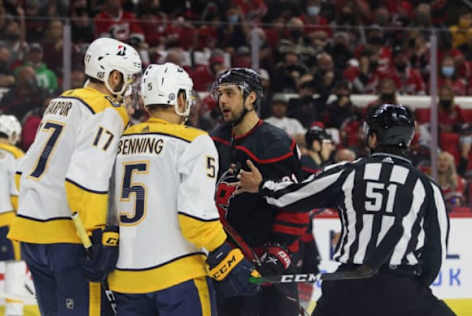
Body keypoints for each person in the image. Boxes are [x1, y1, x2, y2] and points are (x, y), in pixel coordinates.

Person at [237, 103, 456, 316]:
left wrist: (262, 186)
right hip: (402, 288)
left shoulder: (350, 172)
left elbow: (295, 196)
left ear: (373, 137)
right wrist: (409, 290)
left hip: (347, 287)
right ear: (408, 139)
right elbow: (435, 253)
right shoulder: (427, 187)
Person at [107, 62, 258, 316]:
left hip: (125, 278)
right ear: (179, 98)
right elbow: (195, 218)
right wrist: (224, 252)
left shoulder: (121, 140)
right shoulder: (193, 141)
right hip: (178, 277)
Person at [7, 37, 142, 316]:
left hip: (32, 233)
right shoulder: (107, 110)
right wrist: (96, 237)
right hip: (68, 239)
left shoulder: (61, 101)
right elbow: (85, 179)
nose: (130, 87)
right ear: (113, 76)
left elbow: (24, 168)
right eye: (128, 78)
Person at [210, 68, 307, 316]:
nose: (222, 101)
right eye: (220, 94)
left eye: (230, 93)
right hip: (226, 264)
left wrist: (278, 254)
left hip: (263, 265)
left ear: (251, 97)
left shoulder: (276, 144)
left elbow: (296, 204)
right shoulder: (214, 140)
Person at [0, 115, 27, 316]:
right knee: (15, 267)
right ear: (13, 134)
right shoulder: (15, 155)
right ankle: (13, 313)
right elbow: (16, 194)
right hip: (4, 222)